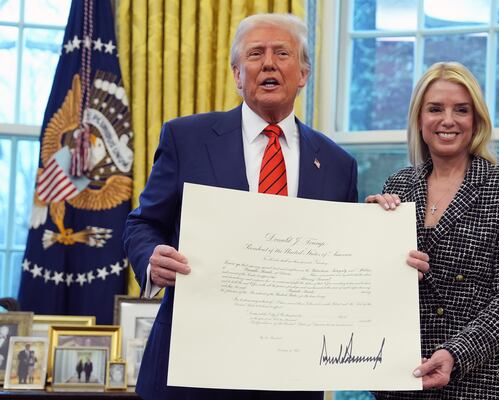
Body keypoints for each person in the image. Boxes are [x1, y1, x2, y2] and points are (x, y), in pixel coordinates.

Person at [123, 13, 357, 400]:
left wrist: (383, 234)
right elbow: (142, 223)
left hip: (290, 376)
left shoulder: (337, 164)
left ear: (303, 74)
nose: (268, 63)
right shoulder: (187, 137)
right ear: (236, 74)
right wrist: (151, 258)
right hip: (192, 371)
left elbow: (344, 261)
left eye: (282, 53)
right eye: (255, 54)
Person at [366, 61, 499, 399]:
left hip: (474, 382)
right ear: (419, 118)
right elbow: (374, 291)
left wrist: (455, 355)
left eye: (461, 110)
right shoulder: (397, 186)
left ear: (476, 120)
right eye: (435, 109)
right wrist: (368, 244)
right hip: (399, 381)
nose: (447, 120)